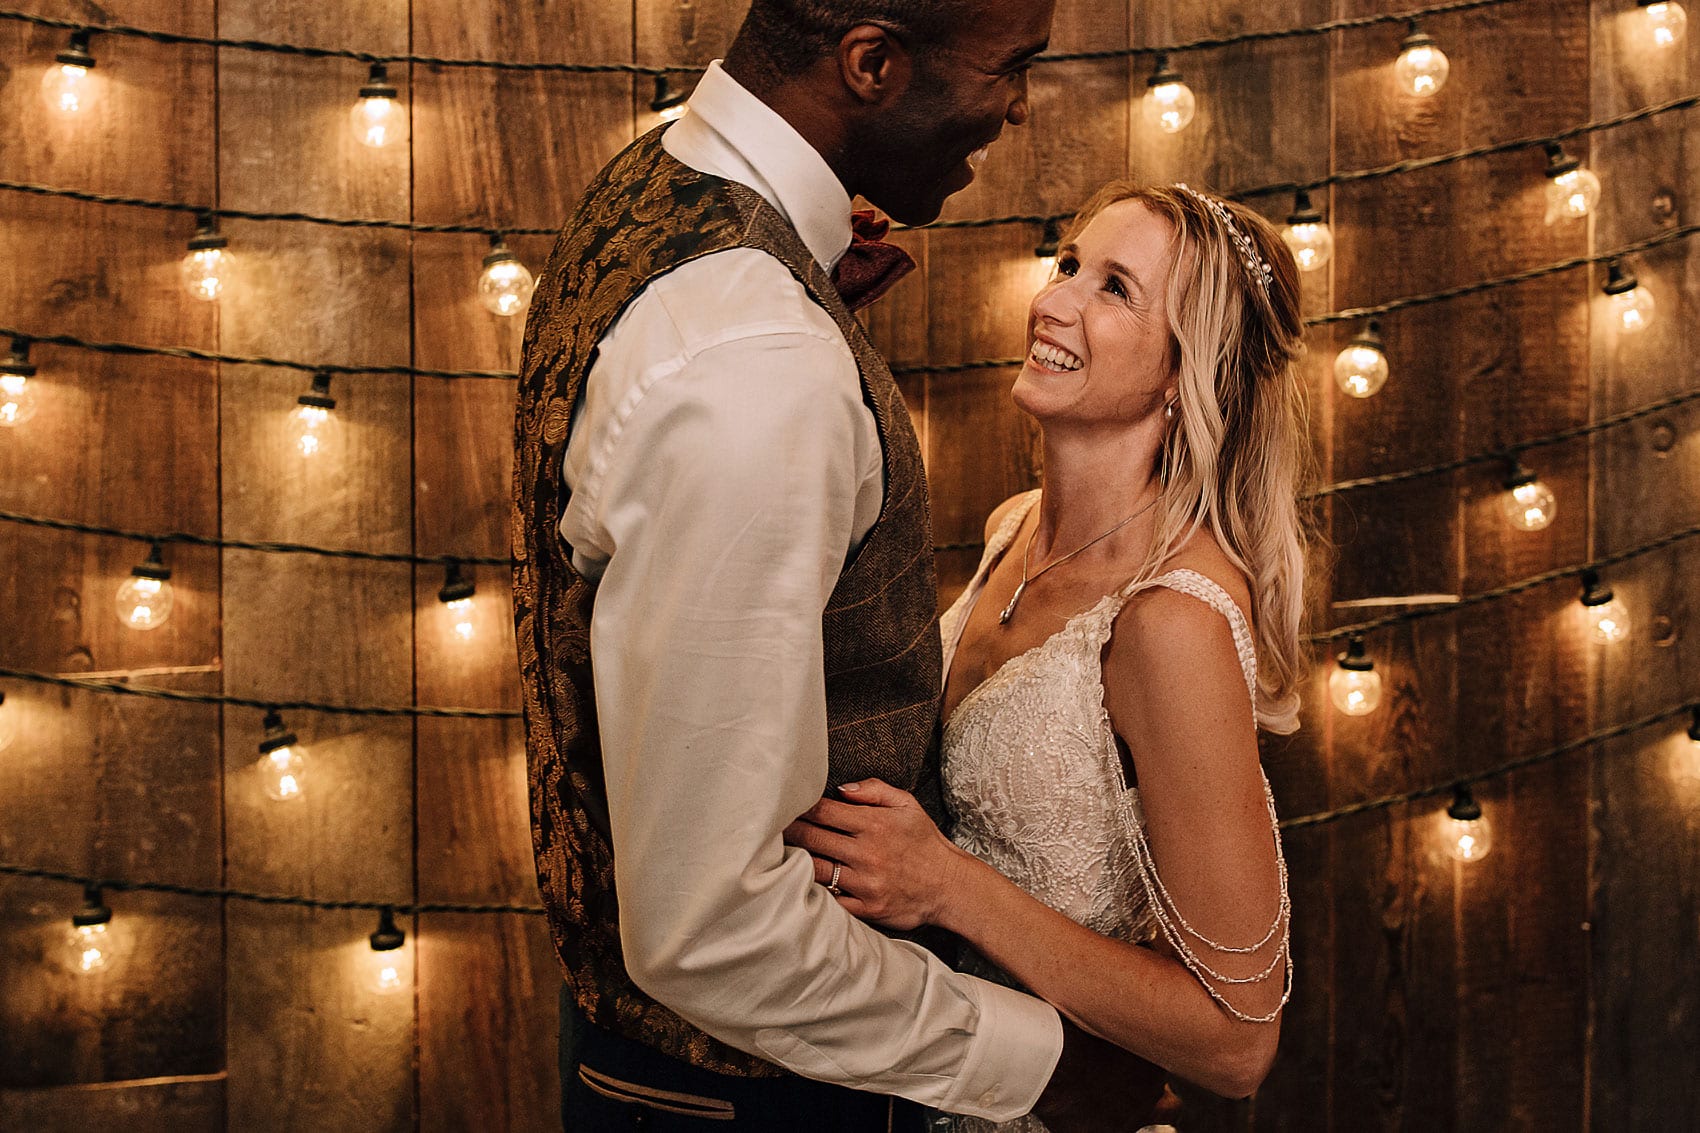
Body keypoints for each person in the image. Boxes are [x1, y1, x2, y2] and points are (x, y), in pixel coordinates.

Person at [512, 2, 1163, 1129]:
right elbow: (715, 926)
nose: (1014, 107)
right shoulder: (761, 369)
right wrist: (1040, 1064)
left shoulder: (663, 186)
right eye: (1009, 71)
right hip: (749, 1096)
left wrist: (805, 282)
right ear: (871, 63)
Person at [784, 181, 1310, 1129]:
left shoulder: (1168, 622)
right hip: (928, 1086)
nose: (1054, 300)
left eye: (1115, 289)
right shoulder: (1013, 528)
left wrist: (947, 885)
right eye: (1069, 262)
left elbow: (1237, 1045)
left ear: (1184, 372)